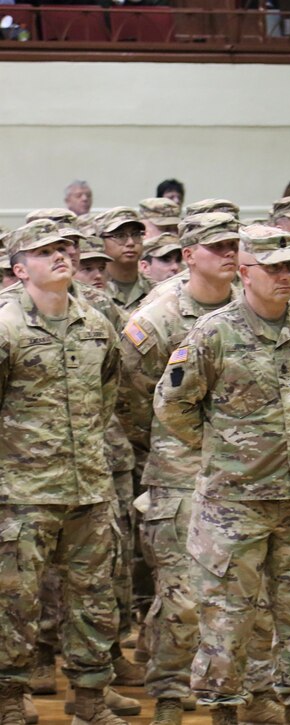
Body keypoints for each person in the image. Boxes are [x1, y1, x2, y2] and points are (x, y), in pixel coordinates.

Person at [153, 224, 290, 725]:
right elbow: (173, 406)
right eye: (274, 267)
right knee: (227, 618)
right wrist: (224, 449)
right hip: (232, 503)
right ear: (245, 272)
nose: (286, 275)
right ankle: (224, 712)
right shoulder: (214, 332)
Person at [0, 219, 124, 725]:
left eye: (65, 247)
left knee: (94, 600)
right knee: (14, 601)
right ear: (18, 267)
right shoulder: (6, 327)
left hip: (88, 487)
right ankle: (11, 696)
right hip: (20, 491)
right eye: (44, 250)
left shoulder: (96, 324)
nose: (61, 256)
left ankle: (90, 701)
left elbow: (108, 397)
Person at [97, 207, 154, 312]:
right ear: (101, 241)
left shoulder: (156, 292)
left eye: (136, 234)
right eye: (120, 235)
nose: (131, 243)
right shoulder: (94, 290)